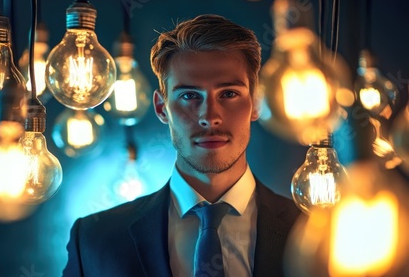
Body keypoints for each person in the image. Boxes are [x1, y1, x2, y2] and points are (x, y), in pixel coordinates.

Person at [62, 14, 301, 277]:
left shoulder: (311, 231)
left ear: (256, 103)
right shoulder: (95, 240)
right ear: (161, 108)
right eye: (189, 95)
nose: (210, 117)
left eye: (229, 93)